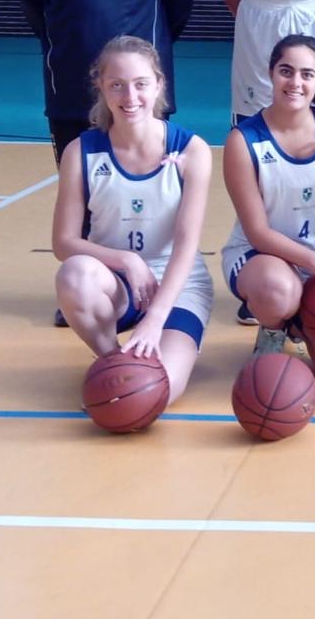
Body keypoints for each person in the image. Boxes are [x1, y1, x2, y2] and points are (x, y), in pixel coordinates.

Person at [21, 0, 194, 326]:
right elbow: (35, 5)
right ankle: (90, 293)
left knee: (151, 196)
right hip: (71, 94)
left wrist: (139, 67)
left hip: (143, 100)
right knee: (86, 202)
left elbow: (179, 0)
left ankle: (158, 288)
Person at [51, 36, 213, 410]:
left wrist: (156, 319)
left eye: (141, 84)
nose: (130, 96)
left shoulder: (191, 150)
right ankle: (112, 361)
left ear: (158, 84)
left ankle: (150, 358)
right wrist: (127, 260)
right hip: (119, 283)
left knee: (156, 393)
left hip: (178, 286)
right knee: (74, 275)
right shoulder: (81, 152)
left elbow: (187, 247)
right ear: (101, 88)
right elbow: (63, 243)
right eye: (117, 85)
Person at [221, 34, 315, 385]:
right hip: (258, 258)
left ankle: (301, 321)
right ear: (270, 73)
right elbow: (258, 233)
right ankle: (274, 328)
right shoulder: (243, 140)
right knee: (280, 290)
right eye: (286, 71)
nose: (295, 82)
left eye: (307, 74)